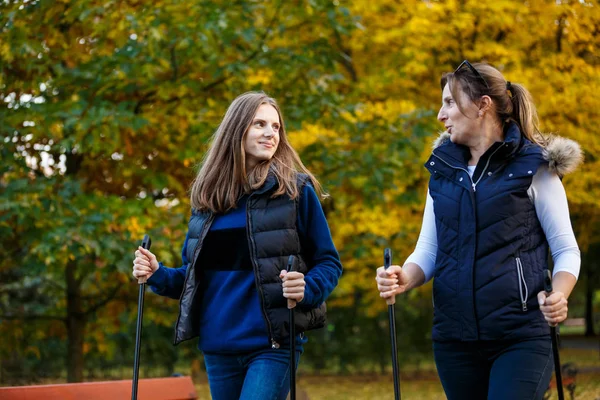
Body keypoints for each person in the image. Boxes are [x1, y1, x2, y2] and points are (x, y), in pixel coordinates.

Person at [376, 61, 582, 400]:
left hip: (521, 336)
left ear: (483, 105)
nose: (441, 115)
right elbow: (429, 249)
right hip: (454, 341)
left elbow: (566, 250)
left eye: (450, 102)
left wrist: (559, 294)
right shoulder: (443, 171)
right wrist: (403, 277)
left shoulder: (534, 167)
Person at [133, 91, 342, 400]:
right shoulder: (207, 201)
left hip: (273, 345)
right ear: (236, 130)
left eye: (276, 126)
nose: (271, 133)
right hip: (219, 348)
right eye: (260, 124)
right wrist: (157, 273)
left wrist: (307, 287)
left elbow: (329, 261)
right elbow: (194, 279)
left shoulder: (295, 191)